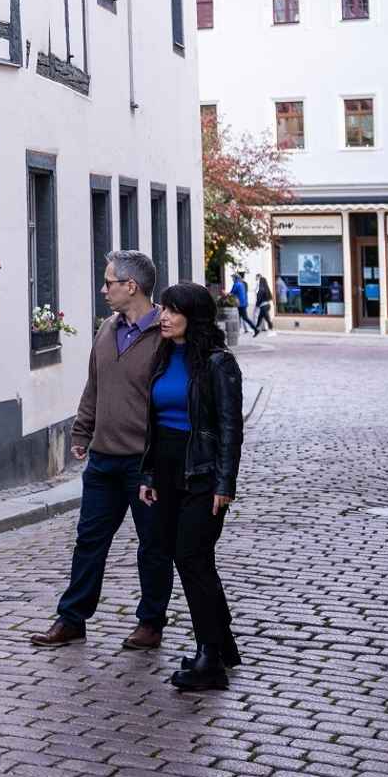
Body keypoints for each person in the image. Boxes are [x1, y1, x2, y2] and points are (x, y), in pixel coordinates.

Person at [30, 250, 172, 650]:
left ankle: (151, 622)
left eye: (109, 282)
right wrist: (82, 431)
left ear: (132, 286)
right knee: (89, 541)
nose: (103, 288)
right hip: (104, 460)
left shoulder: (165, 335)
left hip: (146, 463)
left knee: (153, 546)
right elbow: (94, 385)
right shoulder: (108, 329)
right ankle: (73, 618)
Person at [139, 281, 243, 691]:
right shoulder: (164, 356)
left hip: (201, 473)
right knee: (184, 558)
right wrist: (148, 474)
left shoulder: (218, 363)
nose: (163, 316)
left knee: (193, 557)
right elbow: (153, 423)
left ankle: (209, 661)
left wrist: (224, 482)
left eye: (173, 310)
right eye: (163, 308)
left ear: (193, 316)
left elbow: (231, 428)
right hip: (165, 470)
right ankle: (221, 644)